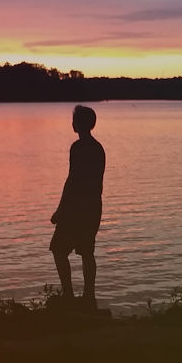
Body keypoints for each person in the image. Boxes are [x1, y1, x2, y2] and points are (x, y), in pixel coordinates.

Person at [49, 105, 105, 309]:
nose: (71, 123)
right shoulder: (98, 148)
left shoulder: (78, 147)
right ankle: (89, 296)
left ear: (79, 124)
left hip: (76, 208)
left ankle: (68, 296)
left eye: (74, 120)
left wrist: (60, 210)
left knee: (58, 249)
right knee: (87, 252)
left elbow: (72, 181)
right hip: (93, 207)